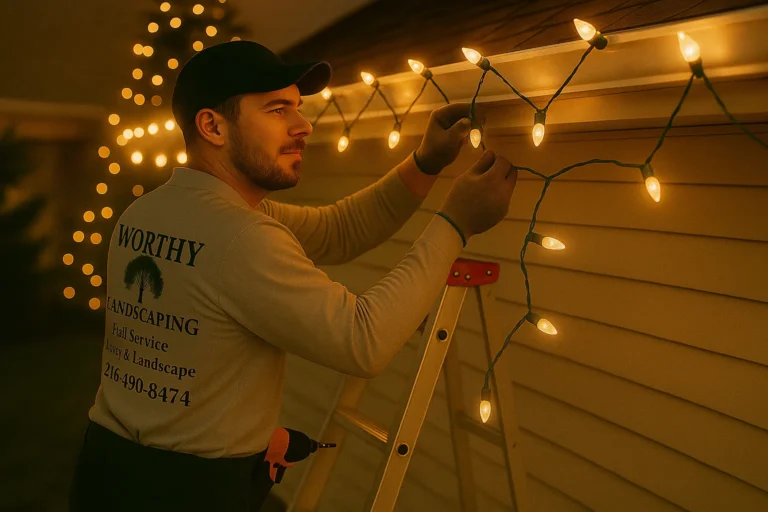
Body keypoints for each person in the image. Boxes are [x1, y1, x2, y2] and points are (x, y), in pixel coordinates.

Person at [69, 40, 518, 511]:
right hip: (187, 491)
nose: (303, 126)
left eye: (298, 109)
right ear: (212, 126)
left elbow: (339, 230)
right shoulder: (240, 236)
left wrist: (424, 163)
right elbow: (363, 340)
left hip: (107, 467)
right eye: (278, 110)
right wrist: (455, 223)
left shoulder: (146, 213)